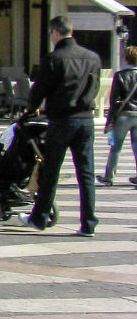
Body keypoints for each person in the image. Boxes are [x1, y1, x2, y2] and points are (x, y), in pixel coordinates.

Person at [26, 15, 101, 236]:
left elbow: (40, 89)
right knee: (86, 173)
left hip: (61, 119)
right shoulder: (93, 58)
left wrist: (31, 109)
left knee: (51, 170)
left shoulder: (54, 58)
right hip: (85, 119)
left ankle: (40, 217)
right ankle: (89, 223)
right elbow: (95, 87)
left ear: (56, 32)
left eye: (51, 33)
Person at [106, 43, 137, 187]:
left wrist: (110, 121)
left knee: (116, 147)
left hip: (123, 115)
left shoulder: (120, 75)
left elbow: (114, 100)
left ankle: (109, 177)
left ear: (125, 58)